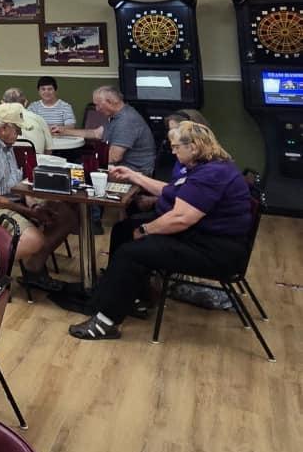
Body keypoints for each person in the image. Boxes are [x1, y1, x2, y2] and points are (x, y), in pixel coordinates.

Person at [69, 122, 253, 340]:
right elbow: (170, 191)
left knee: (131, 252)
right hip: (203, 237)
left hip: (215, 250)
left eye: (176, 147)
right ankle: (131, 295)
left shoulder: (211, 175)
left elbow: (181, 218)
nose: (173, 151)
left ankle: (106, 321)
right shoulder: (206, 166)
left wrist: (146, 230)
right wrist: (133, 175)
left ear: (193, 147)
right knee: (123, 229)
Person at [0, 103, 79, 291]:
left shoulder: (5, 144)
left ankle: (34, 268)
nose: (19, 134)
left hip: (9, 200)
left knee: (66, 216)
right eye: (16, 129)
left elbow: (15, 183)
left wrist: (33, 206)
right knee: (33, 240)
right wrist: (28, 211)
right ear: (3, 128)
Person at [53, 86, 157, 175]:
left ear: (110, 102)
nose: (97, 109)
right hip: (123, 167)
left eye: (98, 104)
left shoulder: (126, 120)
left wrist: (84, 165)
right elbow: (96, 133)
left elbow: (113, 157)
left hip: (135, 172)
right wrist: (64, 131)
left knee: (73, 174)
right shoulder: (117, 115)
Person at [2, 87, 52, 153]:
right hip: (35, 160)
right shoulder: (39, 119)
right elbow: (49, 150)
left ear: (3, 104)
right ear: (25, 102)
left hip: (8, 161)